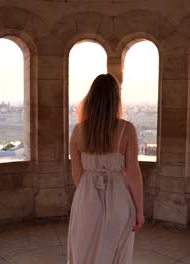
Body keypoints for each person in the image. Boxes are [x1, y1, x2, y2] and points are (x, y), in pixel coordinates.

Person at [67, 73, 144, 264]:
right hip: (119, 200)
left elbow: (77, 175)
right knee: (116, 256)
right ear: (116, 99)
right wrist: (140, 210)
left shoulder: (77, 131)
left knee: (84, 254)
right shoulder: (127, 129)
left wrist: (89, 193)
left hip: (86, 201)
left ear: (91, 98)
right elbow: (133, 173)